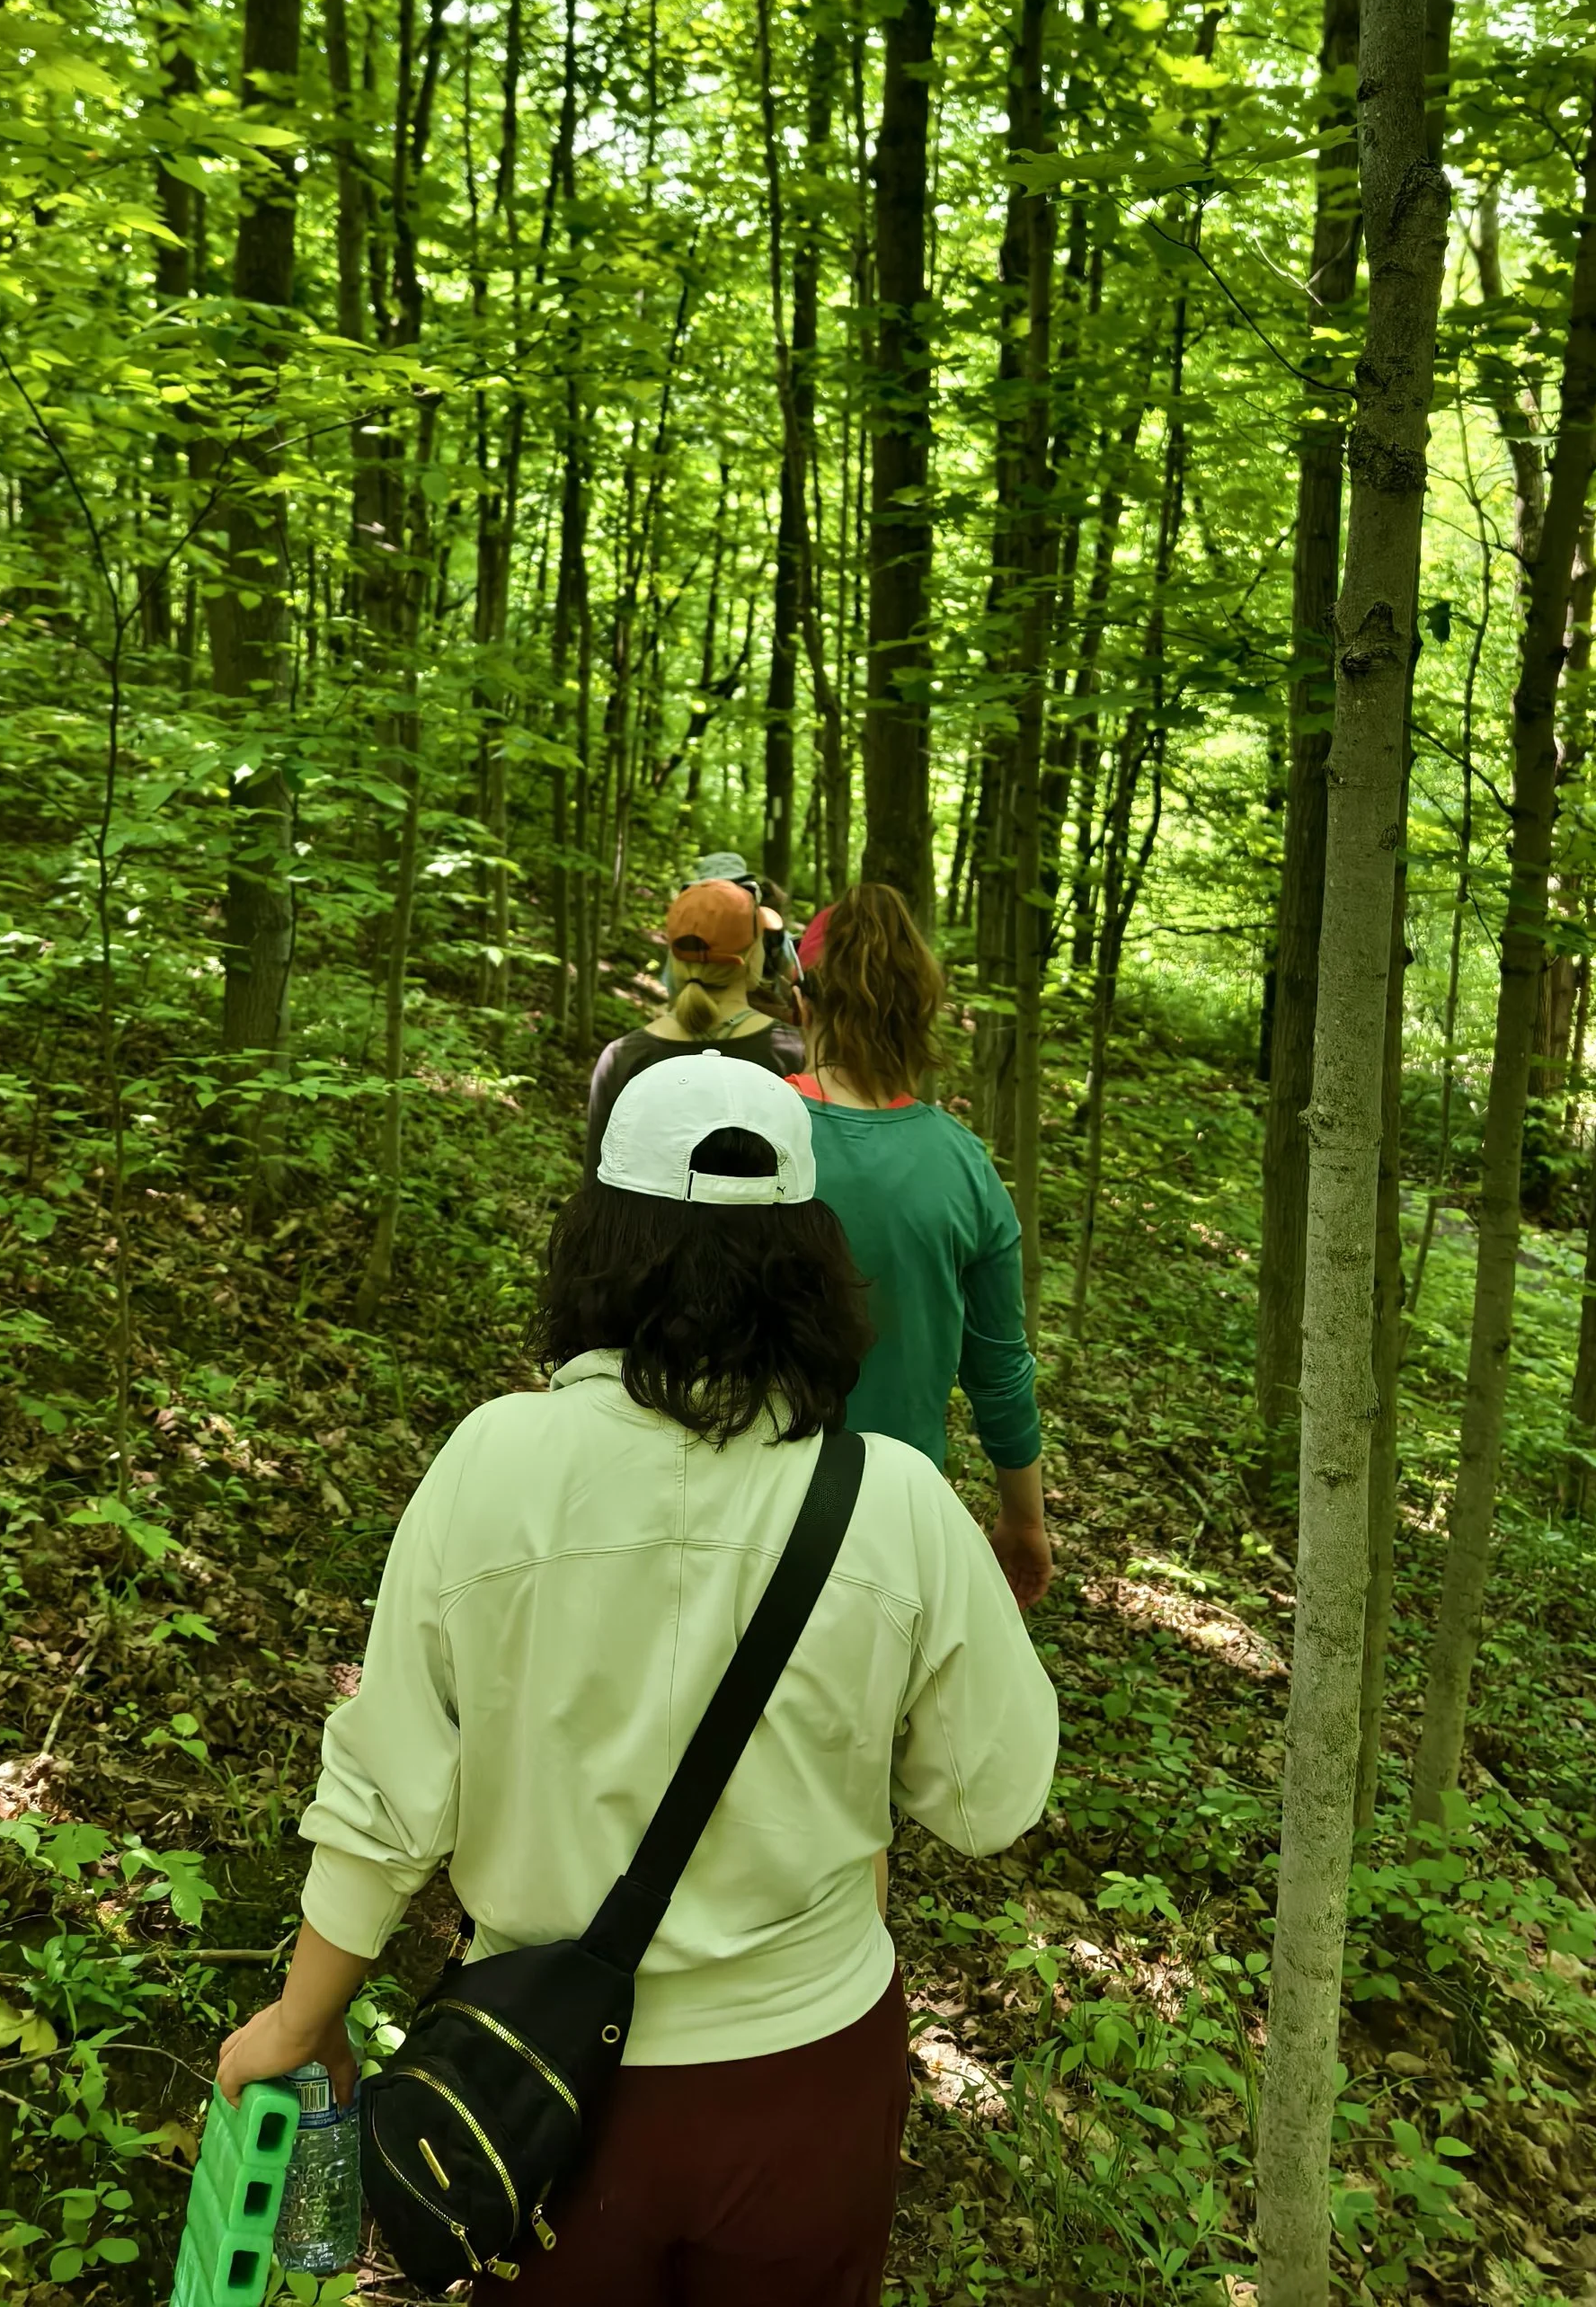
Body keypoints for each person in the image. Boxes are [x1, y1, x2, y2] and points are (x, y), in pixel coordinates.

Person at [217, 1053, 1057, 2305]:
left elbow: (387, 1785)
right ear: (813, 1261)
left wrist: (301, 2016)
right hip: (808, 2071)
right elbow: (994, 1799)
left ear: (599, 1240)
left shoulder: (491, 1463)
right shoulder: (892, 1499)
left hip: (539, 2084)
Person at [786, 883, 1053, 1610]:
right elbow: (999, 1370)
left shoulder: (748, 1128)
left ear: (801, 998)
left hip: (729, 1509)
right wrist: (1023, 1519)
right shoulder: (964, 1165)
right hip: (885, 1528)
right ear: (924, 1010)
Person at [583, 872, 800, 1173]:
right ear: (754, 953)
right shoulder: (792, 1054)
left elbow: (598, 1188)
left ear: (673, 957)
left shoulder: (623, 1058)